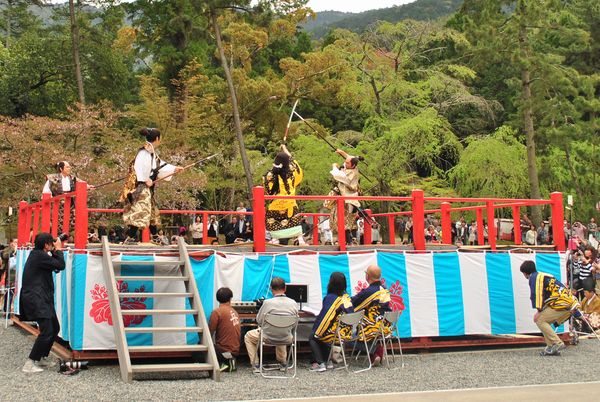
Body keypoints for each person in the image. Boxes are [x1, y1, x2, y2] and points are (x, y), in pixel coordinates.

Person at [120, 128, 183, 245]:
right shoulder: (145, 152)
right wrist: (146, 179)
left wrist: (174, 168)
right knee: (141, 211)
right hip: (142, 187)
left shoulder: (150, 152)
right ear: (157, 138)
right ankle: (130, 238)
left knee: (152, 212)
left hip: (147, 187)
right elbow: (140, 168)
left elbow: (159, 166)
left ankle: (155, 236)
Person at [19, 233, 66, 373]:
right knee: (47, 331)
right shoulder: (40, 256)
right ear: (46, 245)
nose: (53, 244)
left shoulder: (38, 255)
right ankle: (30, 363)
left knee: (55, 328)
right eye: (51, 243)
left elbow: (55, 266)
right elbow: (60, 265)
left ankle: (42, 358)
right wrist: (58, 250)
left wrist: (54, 250)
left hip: (42, 298)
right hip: (37, 298)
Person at [520, 260, 582, 356]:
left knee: (540, 320)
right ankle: (550, 346)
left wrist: (539, 311)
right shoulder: (544, 275)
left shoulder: (534, 278)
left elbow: (536, 294)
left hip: (561, 303)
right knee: (544, 321)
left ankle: (556, 343)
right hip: (569, 302)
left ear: (525, 272)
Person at [244, 277, 298, 373]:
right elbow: (294, 324)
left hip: (267, 337)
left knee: (248, 336)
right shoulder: (293, 303)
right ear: (285, 288)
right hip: (287, 338)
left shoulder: (267, 303)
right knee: (282, 331)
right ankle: (283, 362)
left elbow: (259, 320)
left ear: (271, 288)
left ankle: (255, 364)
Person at [309, 272, 353, 372]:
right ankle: (328, 361)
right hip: (346, 333)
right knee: (322, 332)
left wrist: (317, 332)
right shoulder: (346, 298)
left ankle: (321, 363)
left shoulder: (331, 299)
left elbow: (325, 319)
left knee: (314, 335)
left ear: (331, 283)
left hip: (336, 334)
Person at [263, 144, 305, 245]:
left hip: (275, 205)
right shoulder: (291, 173)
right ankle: (300, 239)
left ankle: (275, 239)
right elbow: (293, 161)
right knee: (294, 219)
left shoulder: (269, 175)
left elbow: (267, 191)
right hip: (290, 203)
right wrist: (285, 149)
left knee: (273, 221)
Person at [351, 265, 391, 366]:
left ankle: (375, 350)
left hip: (372, 328)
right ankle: (375, 353)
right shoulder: (384, 289)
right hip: (385, 327)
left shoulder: (369, 292)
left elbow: (352, 303)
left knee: (347, 336)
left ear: (367, 276)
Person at [328, 148, 364, 245]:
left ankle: (349, 241)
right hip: (343, 199)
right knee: (340, 220)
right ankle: (346, 241)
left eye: (347, 163)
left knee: (344, 221)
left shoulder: (352, 173)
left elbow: (338, 175)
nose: (345, 164)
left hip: (349, 200)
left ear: (353, 165)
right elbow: (349, 158)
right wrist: (342, 152)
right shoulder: (350, 167)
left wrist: (334, 166)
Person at [208, 287, 240, 372]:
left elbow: (209, 333)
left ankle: (225, 362)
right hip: (235, 351)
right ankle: (230, 361)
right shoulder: (234, 312)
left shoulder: (217, 312)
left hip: (223, 351)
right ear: (230, 299)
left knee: (198, 351)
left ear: (217, 299)